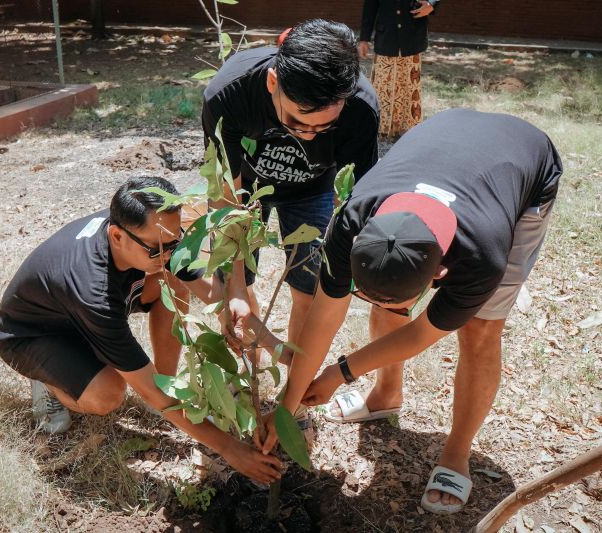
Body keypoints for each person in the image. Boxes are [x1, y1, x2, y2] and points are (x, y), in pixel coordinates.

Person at [261, 109, 563, 514]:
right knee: (390, 306)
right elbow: (324, 315)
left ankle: (456, 452)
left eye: (403, 299)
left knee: (480, 330)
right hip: (448, 134)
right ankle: (386, 394)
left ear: (439, 274)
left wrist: (339, 372)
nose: (380, 308)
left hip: (524, 162)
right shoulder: (351, 220)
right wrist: (287, 404)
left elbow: (422, 332)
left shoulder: (482, 254)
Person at [0, 176, 282, 485]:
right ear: (117, 236)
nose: (169, 253)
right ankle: (48, 381)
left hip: (77, 313)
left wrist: (277, 347)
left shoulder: (151, 233)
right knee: (109, 394)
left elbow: (210, 291)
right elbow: (146, 388)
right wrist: (229, 448)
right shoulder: (96, 294)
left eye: (174, 242)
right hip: (33, 335)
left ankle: (167, 378)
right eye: (157, 249)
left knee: (174, 280)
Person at [201, 18, 379, 353]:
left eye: (323, 128)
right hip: (246, 191)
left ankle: (294, 384)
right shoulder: (230, 95)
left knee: (310, 288)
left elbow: (358, 199)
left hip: (313, 188)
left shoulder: (361, 109)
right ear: (273, 82)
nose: (308, 134)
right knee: (234, 287)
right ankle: (247, 379)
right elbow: (225, 194)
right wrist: (235, 284)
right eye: (296, 121)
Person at [359, 0, 439, 139]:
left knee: (409, 83)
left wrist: (431, 4)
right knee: (383, 84)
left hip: (413, 34)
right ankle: (381, 127)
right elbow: (370, 6)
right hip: (386, 37)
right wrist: (364, 39)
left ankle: (408, 128)